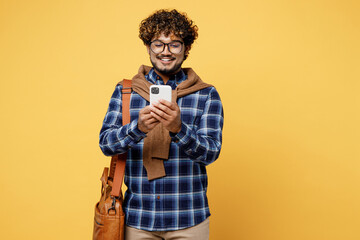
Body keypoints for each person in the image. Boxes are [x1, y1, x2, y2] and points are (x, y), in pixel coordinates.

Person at [99, 9, 224, 240]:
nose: (165, 52)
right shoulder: (125, 91)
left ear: (186, 49)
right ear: (148, 48)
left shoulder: (206, 94)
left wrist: (179, 128)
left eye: (174, 44)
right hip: (138, 219)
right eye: (158, 44)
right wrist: (138, 128)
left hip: (189, 219)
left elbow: (211, 153)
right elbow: (106, 144)